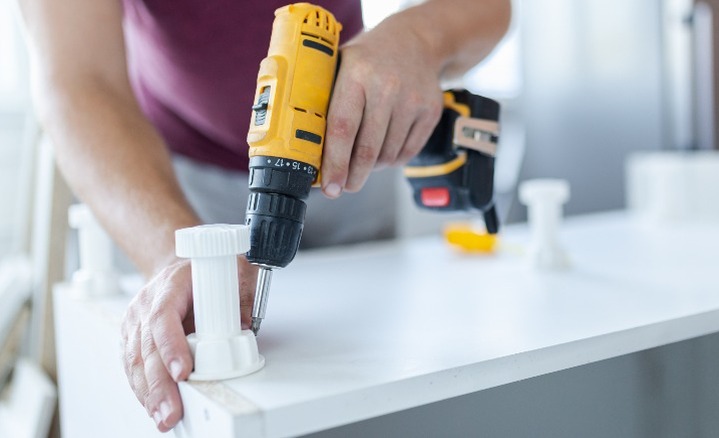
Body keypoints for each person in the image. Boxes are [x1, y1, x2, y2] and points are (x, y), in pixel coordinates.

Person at [18, 0, 510, 431]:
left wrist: (419, 36)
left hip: (352, 160)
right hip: (170, 184)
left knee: (374, 394)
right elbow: (79, 80)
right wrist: (175, 250)